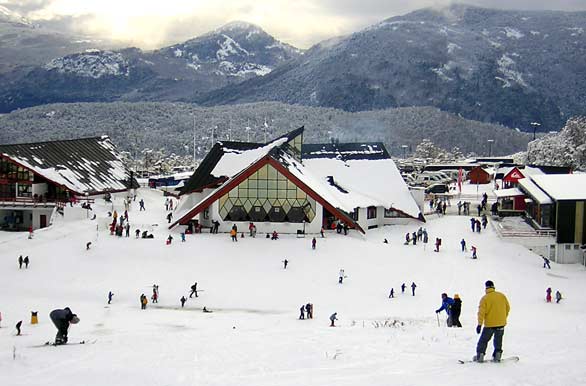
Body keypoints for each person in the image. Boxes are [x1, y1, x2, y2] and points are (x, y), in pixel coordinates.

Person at [474, 280, 510, 363]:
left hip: (489, 324)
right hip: (501, 323)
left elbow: (481, 313)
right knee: (498, 340)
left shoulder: (485, 298)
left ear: (486, 287)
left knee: (483, 340)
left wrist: (479, 324)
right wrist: (503, 317)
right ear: (493, 286)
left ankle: (480, 356)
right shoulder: (502, 296)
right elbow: (507, 308)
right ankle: (497, 355)